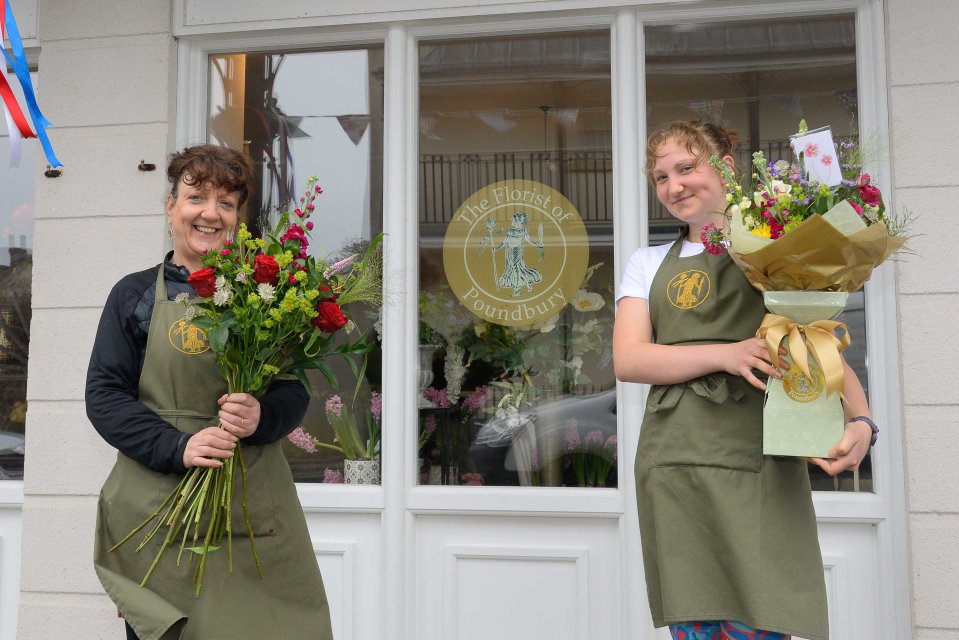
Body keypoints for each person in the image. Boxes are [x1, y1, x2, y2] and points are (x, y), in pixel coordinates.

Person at [612, 121, 876, 640]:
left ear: (726, 168)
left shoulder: (770, 251)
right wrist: (728, 354)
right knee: (697, 616)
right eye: (661, 177)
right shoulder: (645, 264)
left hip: (760, 459)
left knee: (766, 613)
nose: (674, 186)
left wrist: (862, 421)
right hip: (674, 462)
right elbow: (630, 360)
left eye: (686, 168)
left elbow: (814, 341)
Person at [86, 145, 334, 640]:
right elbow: (105, 396)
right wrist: (178, 446)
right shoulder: (132, 295)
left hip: (249, 513)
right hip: (158, 514)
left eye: (226, 202)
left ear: (238, 218)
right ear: (171, 206)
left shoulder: (269, 298)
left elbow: (293, 389)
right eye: (196, 196)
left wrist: (261, 415)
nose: (210, 212)